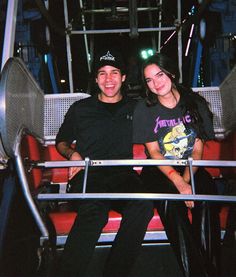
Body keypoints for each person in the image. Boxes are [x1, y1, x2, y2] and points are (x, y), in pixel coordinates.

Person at [55, 48, 153, 277]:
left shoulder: (136, 108)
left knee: (143, 204)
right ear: (96, 78)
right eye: (102, 73)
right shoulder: (81, 109)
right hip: (90, 174)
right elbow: (61, 141)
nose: (108, 80)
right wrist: (73, 155)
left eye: (114, 72)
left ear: (124, 77)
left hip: (122, 175)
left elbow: (160, 127)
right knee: (95, 210)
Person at [133, 53, 221, 277]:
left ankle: (209, 270)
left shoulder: (195, 103)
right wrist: (179, 184)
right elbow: (153, 151)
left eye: (159, 75)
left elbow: (198, 148)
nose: (156, 83)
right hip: (158, 169)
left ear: (171, 73)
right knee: (170, 203)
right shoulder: (144, 108)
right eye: (149, 80)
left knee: (206, 197)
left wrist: (187, 179)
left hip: (192, 167)